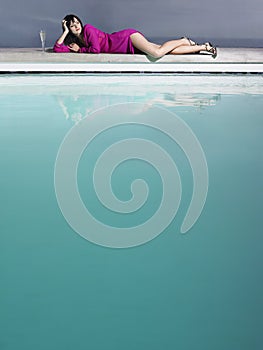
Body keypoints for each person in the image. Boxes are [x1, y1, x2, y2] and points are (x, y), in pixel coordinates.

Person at [53, 14, 217, 59]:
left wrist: (78, 51)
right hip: (124, 48)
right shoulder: (76, 41)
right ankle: (204, 47)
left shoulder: (88, 29)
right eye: (71, 25)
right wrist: (65, 32)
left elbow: (95, 50)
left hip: (126, 38)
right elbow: (57, 49)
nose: (76, 26)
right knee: (165, 52)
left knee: (157, 53)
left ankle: (183, 40)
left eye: (76, 23)